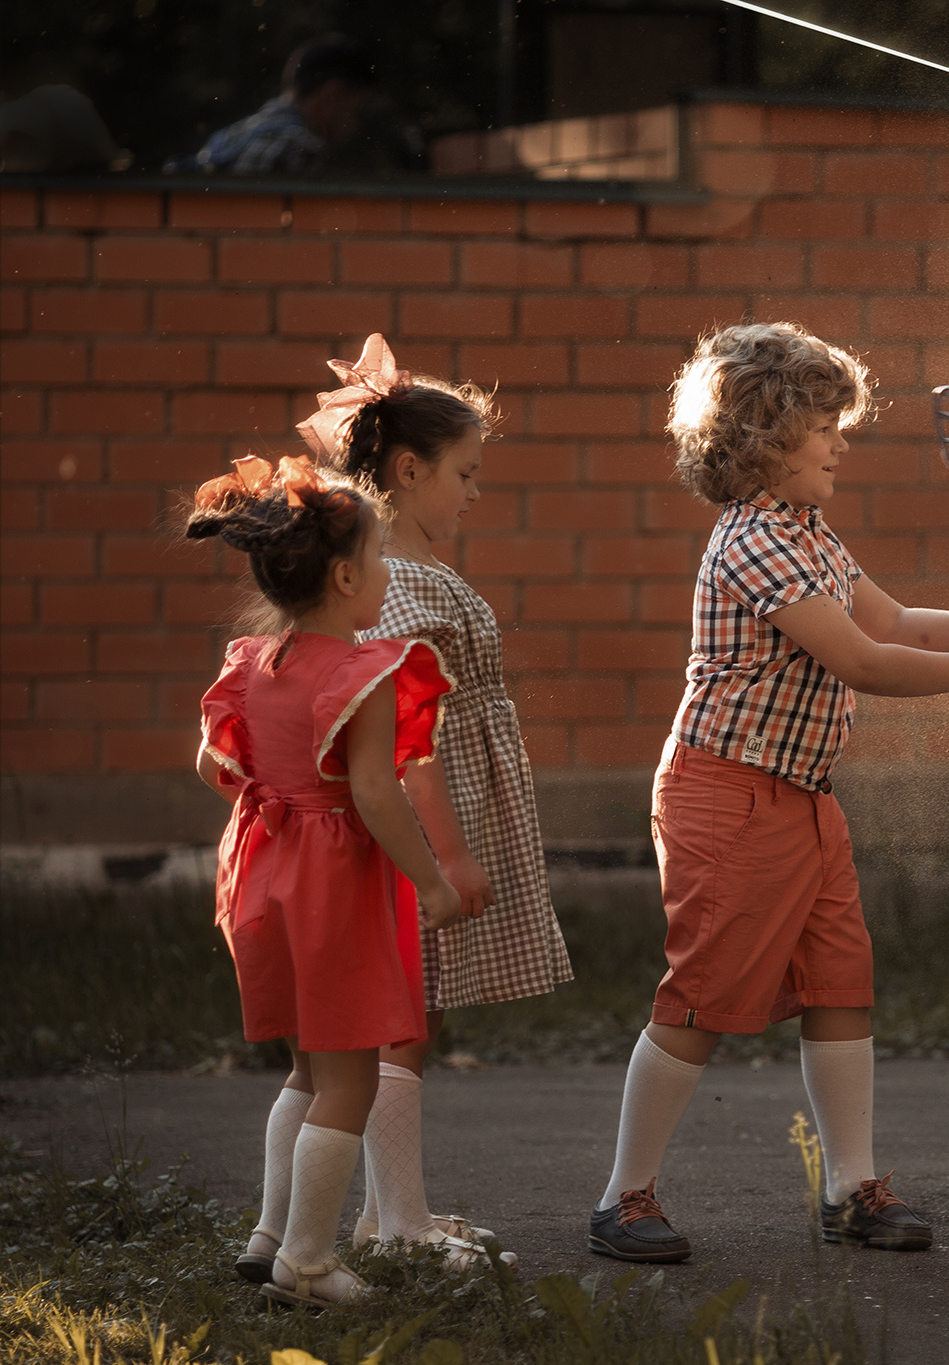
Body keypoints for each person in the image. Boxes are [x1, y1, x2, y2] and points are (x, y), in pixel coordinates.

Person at [587, 322, 949, 1263]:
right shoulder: (756, 544)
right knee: (705, 998)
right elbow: (864, 662)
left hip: (801, 796)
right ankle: (623, 1196)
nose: (843, 441)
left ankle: (852, 1190)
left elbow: (899, 621)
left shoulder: (810, 533)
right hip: (727, 798)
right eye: (826, 425)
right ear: (766, 437)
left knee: (841, 987)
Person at [298, 335, 571, 1266]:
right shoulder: (403, 582)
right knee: (403, 1020)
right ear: (409, 469)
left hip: (450, 808)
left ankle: (388, 1215)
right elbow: (411, 743)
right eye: (466, 472)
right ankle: (400, 1226)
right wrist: (448, 854)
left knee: (418, 1015)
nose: (474, 491)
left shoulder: (411, 569)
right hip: (426, 823)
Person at [189, 454, 463, 1309]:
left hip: (263, 879)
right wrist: (436, 879)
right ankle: (306, 1263)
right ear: (346, 576)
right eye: (379, 560)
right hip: (333, 892)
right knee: (354, 1079)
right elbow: (378, 793)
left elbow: (212, 762)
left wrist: (280, 802)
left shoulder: (252, 661)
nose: (385, 575)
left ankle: (270, 1232)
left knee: (307, 1070)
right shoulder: (363, 672)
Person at [168, 33, 372, 175]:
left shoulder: (231, 135)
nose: (356, 128)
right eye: (357, 113)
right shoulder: (300, 149)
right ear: (332, 95)